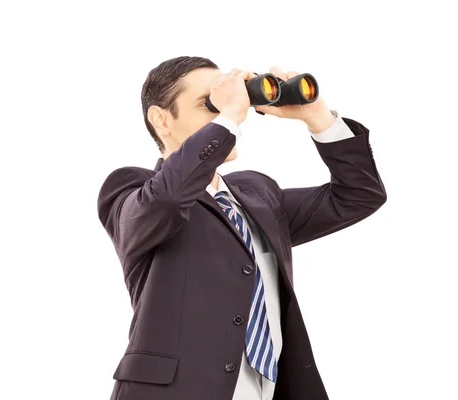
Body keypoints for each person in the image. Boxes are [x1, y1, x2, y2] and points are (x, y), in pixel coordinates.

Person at [96, 56, 387, 400]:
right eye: (210, 104)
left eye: (233, 100)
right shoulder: (132, 190)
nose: (232, 112)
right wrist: (229, 117)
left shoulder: (257, 195)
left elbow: (359, 195)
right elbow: (169, 200)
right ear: (162, 120)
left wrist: (316, 116)